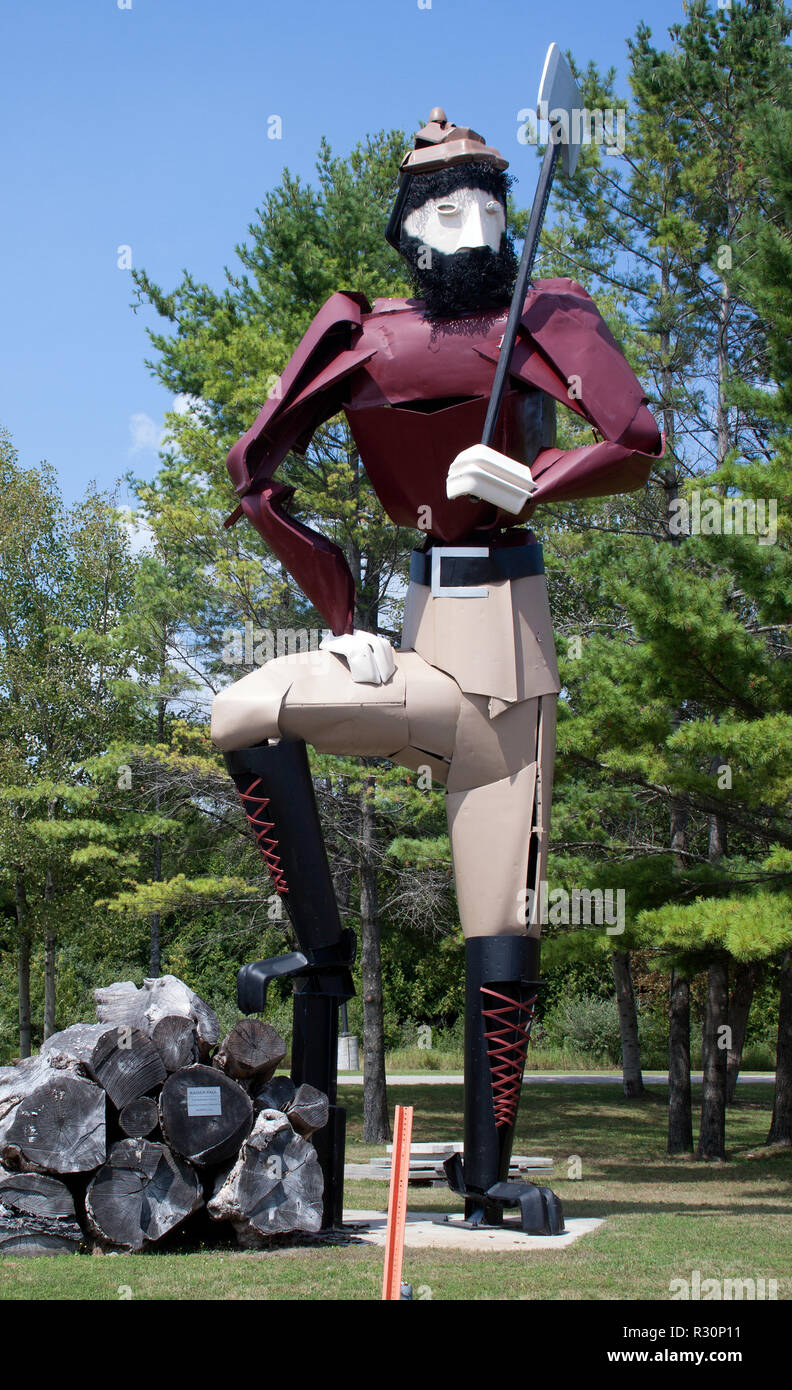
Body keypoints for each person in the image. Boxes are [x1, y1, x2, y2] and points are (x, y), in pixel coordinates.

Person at [211, 111, 662, 1231]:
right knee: (243, 708)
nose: (479, 230)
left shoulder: (547, 311)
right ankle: (320, 956)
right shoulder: (363, 335)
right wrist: (339, 611)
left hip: (514, 652)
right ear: (410, 229)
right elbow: (254, 471)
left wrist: (535, 480)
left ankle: (488, 1173)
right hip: (418, 651)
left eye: (493, 209)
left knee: (503, 926)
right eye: (451, 210)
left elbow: (637, 438)